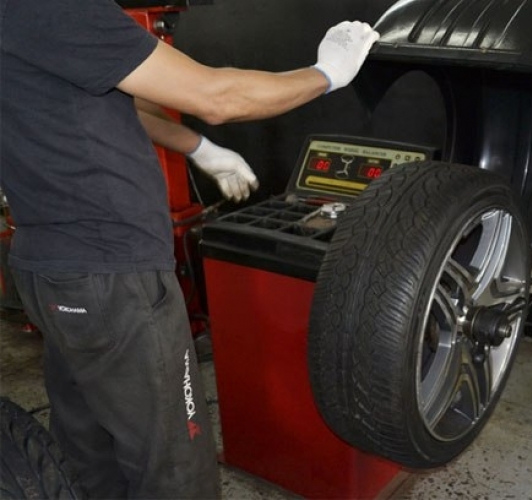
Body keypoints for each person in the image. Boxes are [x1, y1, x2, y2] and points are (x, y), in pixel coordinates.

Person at [0, 0, 380, 498]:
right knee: (175, 464)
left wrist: (197, 147)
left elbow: (103, 93)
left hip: (48, 267)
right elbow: (217, 96)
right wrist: (326, 73)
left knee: (89, 451)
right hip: (112, 273)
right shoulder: (55, 8)